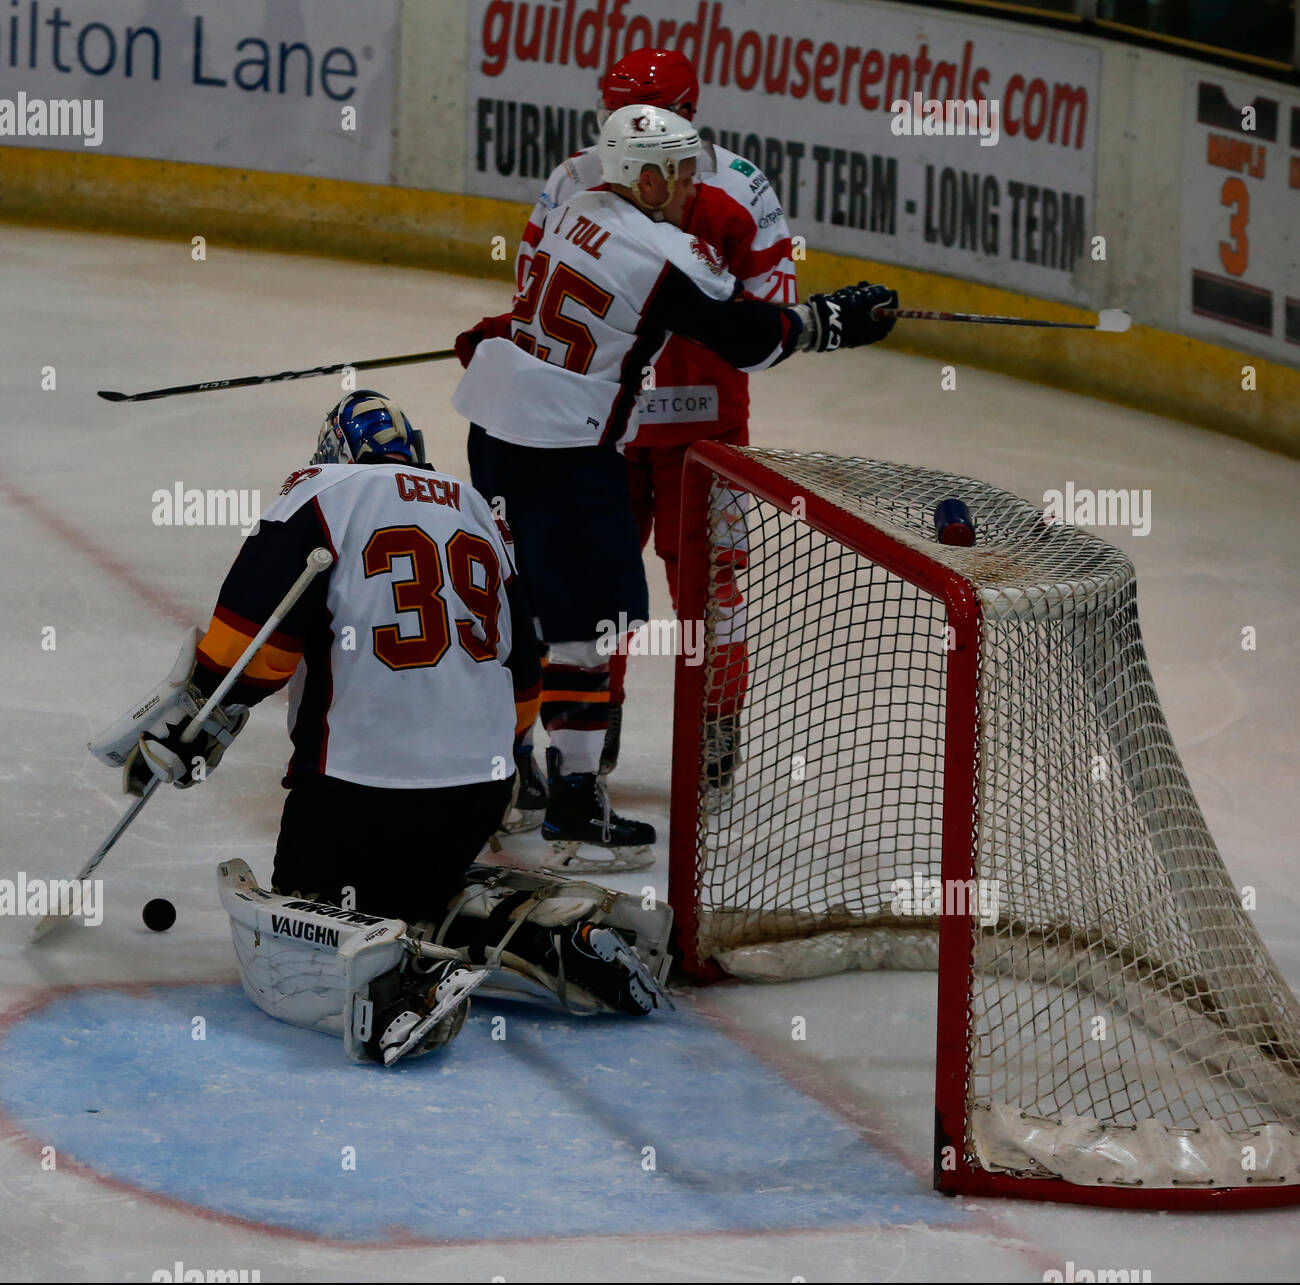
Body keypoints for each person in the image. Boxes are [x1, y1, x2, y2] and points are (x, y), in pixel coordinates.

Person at [89, 390, 665, 1065]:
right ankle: (552, 937)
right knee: (410, 894)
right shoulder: (478, 509)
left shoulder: (315, 493)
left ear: (334, 448)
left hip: (356, 791)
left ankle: (402, 983)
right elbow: (523, 675)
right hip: (477, 793)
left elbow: (251, 649)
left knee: (305, 917)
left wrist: (190, 730)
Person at [453, 103, 898, 871]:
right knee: (589, 631)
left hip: (494, 427)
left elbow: (549, 303)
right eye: (684, 169)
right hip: (564, 447)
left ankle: (503, 780)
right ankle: (573, 806)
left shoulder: (579, 206)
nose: (695, 182)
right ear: (649, 176)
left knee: (523, 609)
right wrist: (832, 320)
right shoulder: (663, 253)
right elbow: (749, 342)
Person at [461, 48, 797, 807]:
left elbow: (764, 323)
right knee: (584, 591)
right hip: (596, 427)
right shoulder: (576, 178)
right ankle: (588, 731)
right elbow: (535, 293)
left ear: (690, 113)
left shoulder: (740, 191)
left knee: (709, 583)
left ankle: (715, 720)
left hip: (698, 431)